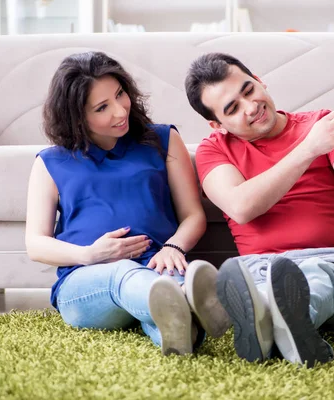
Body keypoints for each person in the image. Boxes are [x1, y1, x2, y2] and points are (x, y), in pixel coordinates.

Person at [185, 53, 334, 367]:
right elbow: (241, 207)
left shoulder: (322, 125)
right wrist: (309, 149)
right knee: (260, 283)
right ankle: (277, 327)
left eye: (248, 90)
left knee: (313, 278)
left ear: (259, 80)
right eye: (232, 108)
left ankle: (268, 320)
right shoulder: (214, 149)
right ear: (218, 124)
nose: (251, 106)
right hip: (259, 269)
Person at [25, 51, 230, 356]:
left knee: (168, 305)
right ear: (76, 116)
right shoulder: (50, 162)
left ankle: (181, 329)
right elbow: (36, 244)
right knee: (124, 275)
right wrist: (90, 254)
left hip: (159, 267)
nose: (120, 111)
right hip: (87, 283)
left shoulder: (162, 139)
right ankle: (187, 301)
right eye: (102, 108)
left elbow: (192, 215)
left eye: (120, 94)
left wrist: (172, 248)